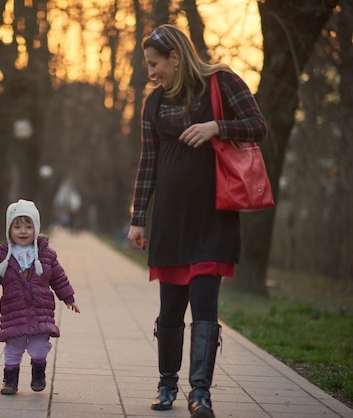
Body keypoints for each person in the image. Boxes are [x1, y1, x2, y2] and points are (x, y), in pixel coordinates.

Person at [127, 24, 267, 418]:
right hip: (170, 219)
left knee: (205, 304)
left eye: (155, 64)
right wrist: (138, 218)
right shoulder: (153, 104)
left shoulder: (222, 83)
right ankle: (167, 385)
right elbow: (148, 162)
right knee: (171, 308)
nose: (151, 72)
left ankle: (200, 394)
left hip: (213, 216)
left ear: (175, 57)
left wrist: (217, 127)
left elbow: (259, 126)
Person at [0, 199, 80, 395]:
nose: (22, 231)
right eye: (17, 226)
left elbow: (59, 278)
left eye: (28, 226)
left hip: (40, 311)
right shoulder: (2, 256)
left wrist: (69, 298)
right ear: (9, 230)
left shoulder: (46, 255)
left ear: (37, 228)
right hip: (13, 311)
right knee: (13, 349)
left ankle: (38, 374)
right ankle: (10, 381)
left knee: (40, 347)